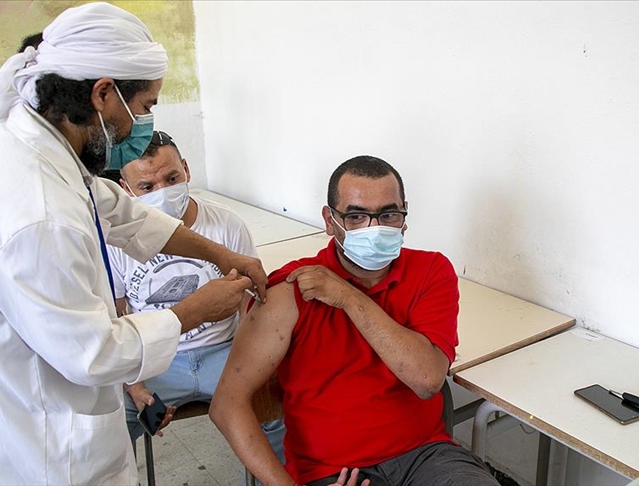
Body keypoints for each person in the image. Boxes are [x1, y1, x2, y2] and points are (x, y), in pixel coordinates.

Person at [0, 3, 267, 485]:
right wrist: (194, 309)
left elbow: (124, 213)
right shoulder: (37, 212)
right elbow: (94, 353)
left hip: (50, 415)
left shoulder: (41, 146)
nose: (145, 122)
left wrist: (223, 255)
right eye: (145, 106)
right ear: (104, 94)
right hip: (45, 449)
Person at [210, 156, 500, 486]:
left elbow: (427, 379)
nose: (374, 229)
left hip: (426, 457)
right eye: (357, 216)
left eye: (388, 215)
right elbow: (227, 404)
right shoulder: (291, 290)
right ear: (330, 220)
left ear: (404, 215)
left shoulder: (431, 271)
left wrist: (348, 297)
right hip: (330, 472)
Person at [110, 130, 286, 461]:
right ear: (125, 189)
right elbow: (115, 315)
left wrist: (252, 362)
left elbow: (252, 303)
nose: (162, 193)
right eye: (147, 187)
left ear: (186, 170)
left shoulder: (227, 225)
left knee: (272, 409)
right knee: (107, 422)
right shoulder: (115, 242)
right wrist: (133, 384)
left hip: (224, 353)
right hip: (155, 360)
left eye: (171, 178)